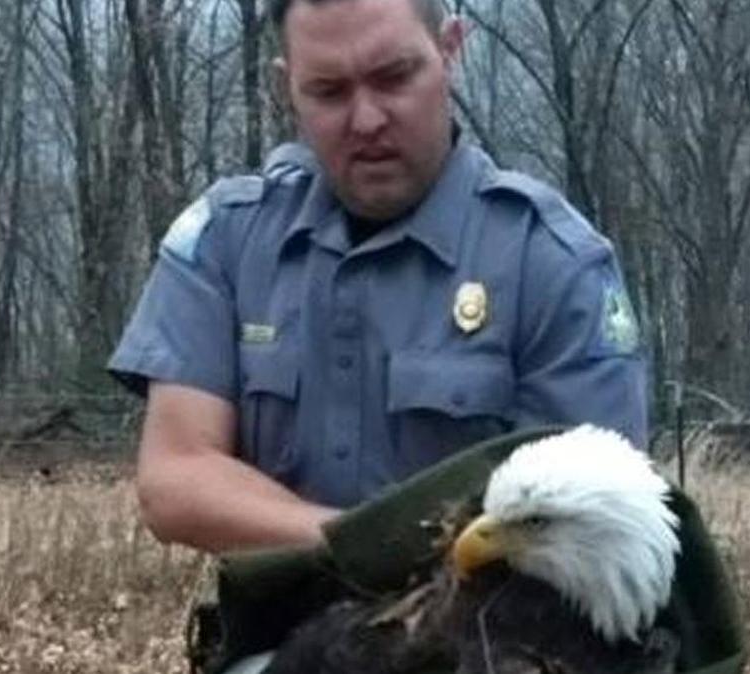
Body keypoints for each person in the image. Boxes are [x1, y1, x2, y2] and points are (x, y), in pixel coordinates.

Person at [108, 0, 647, 554]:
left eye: (395, 77)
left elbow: (594, 528)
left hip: (495, 634)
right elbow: (175, 479)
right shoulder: (227, 241)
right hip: (278, 635)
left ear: (450, 51)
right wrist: (366, 550)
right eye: (329, 91)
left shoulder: (553, 262)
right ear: (284, 86)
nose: (367, 120)